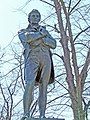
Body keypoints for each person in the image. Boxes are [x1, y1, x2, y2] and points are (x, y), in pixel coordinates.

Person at [18, 9, 56, 119]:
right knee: (29, 83)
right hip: (32, 57)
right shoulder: (23, 31)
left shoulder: (46, 32)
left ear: (39, 18)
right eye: (33, 16)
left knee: (44, 86)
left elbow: (53, 44)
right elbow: (26, 38)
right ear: (29, 18)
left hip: (46, 58)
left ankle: (42, 115)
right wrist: (41, 35)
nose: (35, 17)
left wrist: (38, 39)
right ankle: (26, 114)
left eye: (37, 16)